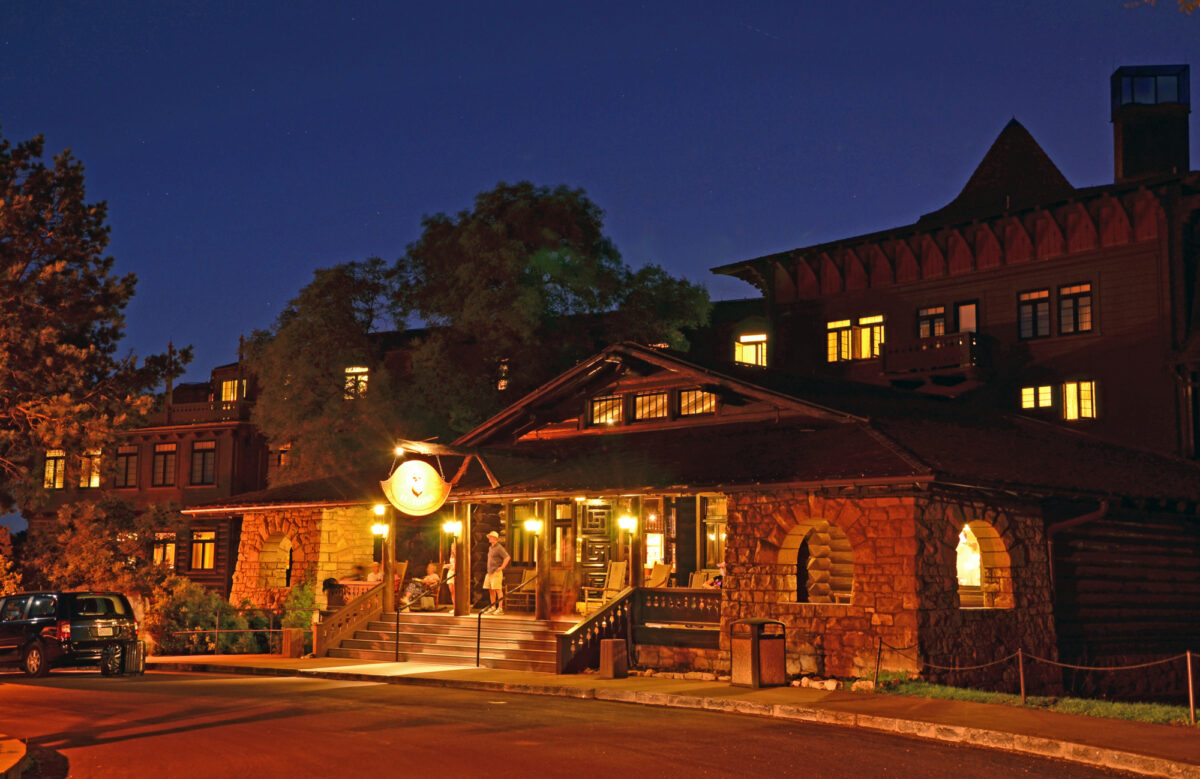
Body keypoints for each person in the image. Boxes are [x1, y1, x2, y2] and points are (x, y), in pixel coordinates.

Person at [484, 530, 510, 614]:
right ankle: (493, 607)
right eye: (489, 537)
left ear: (495, 538)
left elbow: (507, 557)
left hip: (496, 572)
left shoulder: (499, 547)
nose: (489, 538)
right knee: (491, 589)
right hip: (490, 572)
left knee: (498, 589)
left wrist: (502, 567)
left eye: (491, 537)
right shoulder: (490, 547)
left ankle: (500, 608)